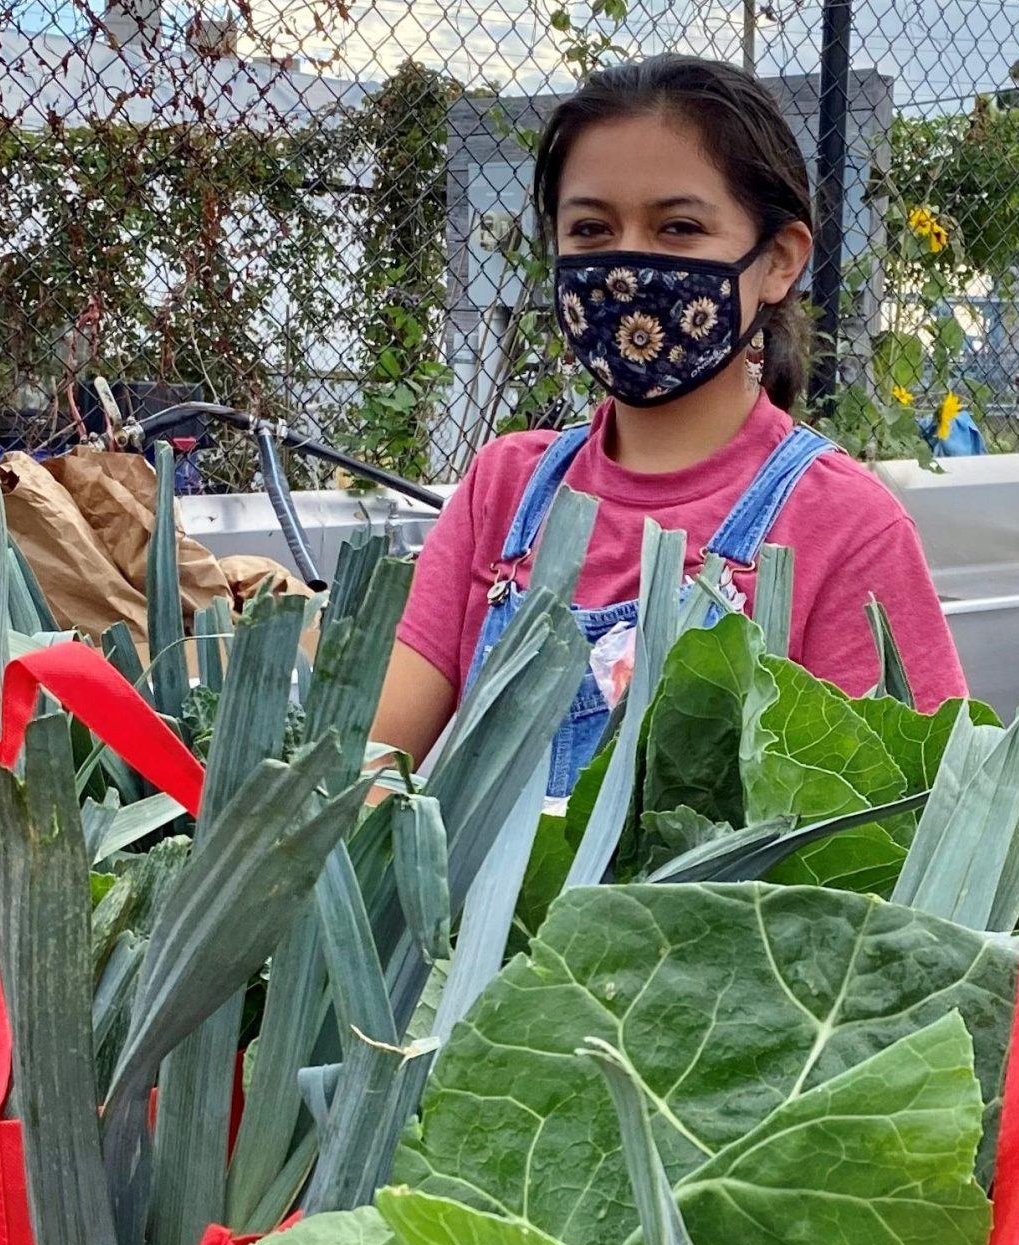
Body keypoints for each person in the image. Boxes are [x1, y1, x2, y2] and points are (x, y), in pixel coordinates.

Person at [375, 55, 966, 791]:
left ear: (779, 259)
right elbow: (374, 767)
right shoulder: (504, 489)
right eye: (590, 229)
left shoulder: (843, 526)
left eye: (678, 227)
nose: (626, 267)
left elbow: (906, 817)